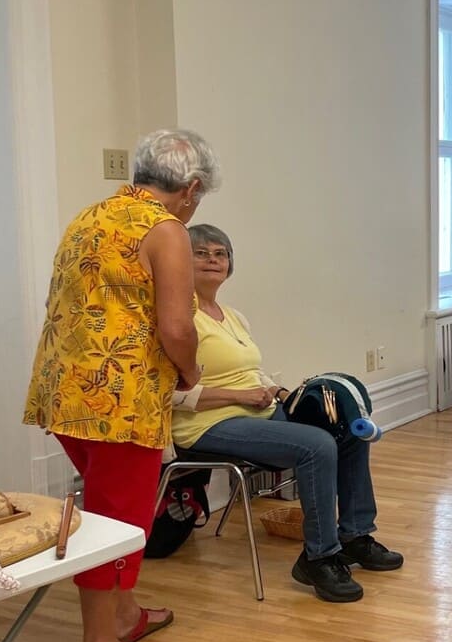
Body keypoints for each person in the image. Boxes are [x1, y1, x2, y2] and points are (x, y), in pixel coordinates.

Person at [23, 128, 217, 642]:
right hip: (121, 400)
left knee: (112, 509)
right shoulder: (165, 229)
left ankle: (125, 616)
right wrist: (190, 372)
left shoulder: (89, 217)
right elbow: (177, 327)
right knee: (118, 522)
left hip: (65, 391)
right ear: (191, 187)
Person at [171, 225, 403, 604]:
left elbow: (252, 371)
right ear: (181, 260)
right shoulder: (178, 318)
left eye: (220, 253)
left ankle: (355, 535)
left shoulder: (232, 316)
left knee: (345, 430)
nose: (213, 259)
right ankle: (319, 557)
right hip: (206, 424)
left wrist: (280, 392)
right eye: (200, 252)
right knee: (317, 445)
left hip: (256, 411)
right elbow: (169, 396)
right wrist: (242, 394)